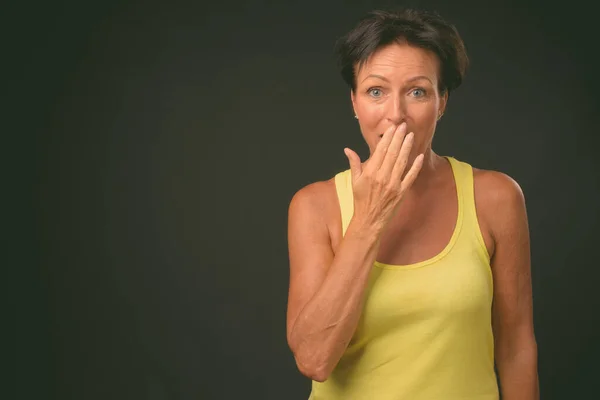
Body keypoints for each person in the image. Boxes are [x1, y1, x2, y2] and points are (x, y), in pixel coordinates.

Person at [285, 7, 539, 400]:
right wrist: (370, 219)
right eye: (375, 91)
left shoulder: (496, 198)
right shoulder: (314, 207)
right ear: (354, 102)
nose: (396, 115)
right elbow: (314, 359)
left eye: (417, 91)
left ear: (442, 102)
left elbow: (517, 349)